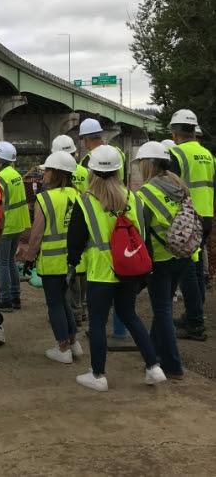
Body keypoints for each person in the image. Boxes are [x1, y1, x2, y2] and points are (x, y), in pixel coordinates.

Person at [67, 145, 166, 391]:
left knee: (98, 322)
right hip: (130, 271)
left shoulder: (86, 202)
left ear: (92, 172)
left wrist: (71, 267)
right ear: (118, 171)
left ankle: (98, 375)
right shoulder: (134, 199)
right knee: (130, 316)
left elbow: (75, 242)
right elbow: (144, 237)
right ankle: (154, 367)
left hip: (101, 274)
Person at [20, 151, 83, 363]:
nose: (44, 173)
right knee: (63, 302)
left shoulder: (45, 198)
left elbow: (37, 233)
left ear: (57, 173)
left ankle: (63, 348)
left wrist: (29, 258)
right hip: (75, 261)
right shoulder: (79, 195)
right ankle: (74, 343)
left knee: (54, 304)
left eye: (47, 170)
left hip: (52, 261)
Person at [135, 141, 192, 378]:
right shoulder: (180, 186)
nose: (138, 167)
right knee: (164, 307)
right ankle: (152, 350)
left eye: (139, 163)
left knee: (163, 309)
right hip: (184, 254)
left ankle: (171, 364)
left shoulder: (144, 193)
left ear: (148, 163)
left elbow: (141, 231)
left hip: (159, 258)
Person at [78, 118, 131, 347]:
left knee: (101, 283)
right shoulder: (118, 152)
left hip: (99, 218)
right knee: (122, 280)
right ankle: (120, 332)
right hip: (123, 210)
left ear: (84, 139)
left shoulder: (88, 160)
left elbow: (87, 192)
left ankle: (100, 330)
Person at [168, 109, 213, 341]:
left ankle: (195, 323)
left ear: (175, 133)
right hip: (206, 217)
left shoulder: (176, 154)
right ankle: (194, 315)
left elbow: (172, 189)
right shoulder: (208, 155)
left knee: (187, 270)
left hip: (187, 219)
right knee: (195, 269)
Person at [51, 134, 88, 325]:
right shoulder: (85, 171)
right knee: (82, 272)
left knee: (69, 273)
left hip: (63, 226)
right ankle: (82, 310)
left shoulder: (58, 173)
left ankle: (73, 314)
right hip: (85, 224)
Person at [0, 141, 30, 312]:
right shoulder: (14, 174)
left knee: (3, 263)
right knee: (11, 262)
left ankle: (5, 300)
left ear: (0, 158)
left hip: (6, 224)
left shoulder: (0, 177)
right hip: (18, 223)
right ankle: (15, 297)